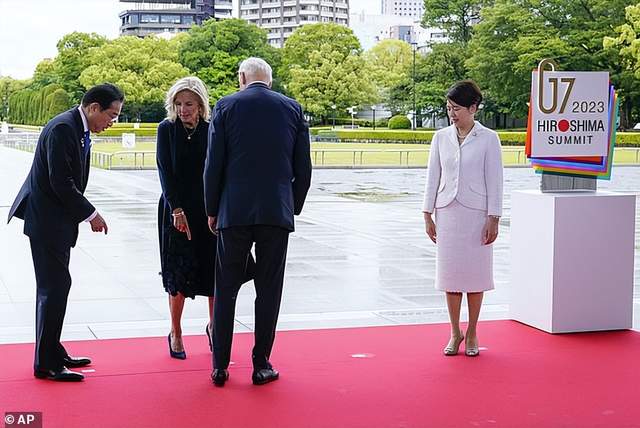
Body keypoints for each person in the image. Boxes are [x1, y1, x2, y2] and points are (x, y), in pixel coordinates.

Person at [205, 57, 312, 386]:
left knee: (225, 290)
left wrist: (212, 209)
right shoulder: (292, 109)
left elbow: (214, 165)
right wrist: (291, 206)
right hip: (274, 213)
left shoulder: (225, 107)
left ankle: (220, 365)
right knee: (268, 290)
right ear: (270, 79)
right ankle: (261, 362)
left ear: (242, 77)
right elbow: (303, 169)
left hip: (233, 212)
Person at [7, 84, 124, 381]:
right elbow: (61, 182)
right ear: (93, 108)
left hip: (54, 221)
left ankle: (52, 351)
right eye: (112, 115)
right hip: (47, 221)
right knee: (53, 289)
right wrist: (91, 214)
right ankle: (46, 362)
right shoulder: (63, 128)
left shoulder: (75, 127)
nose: (113, 122)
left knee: (57, 287)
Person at [157, 76, 254, 360]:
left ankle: (216, 328)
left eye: (189, 103)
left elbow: (221, 172)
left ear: (200, 105)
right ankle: (175, 331)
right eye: (178, 103)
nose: (183, 109)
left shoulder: (212, 130)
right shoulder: (166, 130)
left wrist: (221, 209)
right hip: (176, 210)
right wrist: (177, 209)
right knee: (178, 274)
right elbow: (166, 172)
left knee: (214, 273)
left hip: (209, 210)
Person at [422, 80, 503, 357]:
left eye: (456, 108)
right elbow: (433, 176)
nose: (451, 114)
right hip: (447, 212)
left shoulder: (489, 138)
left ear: (473, 108)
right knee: (451, 276)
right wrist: (427, 214)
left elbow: (495, 181)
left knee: (476, 276)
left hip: (476, 214)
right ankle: (455, 331)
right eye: (448, 108)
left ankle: (473, 331)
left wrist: (494, 217)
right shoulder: (440, 137)